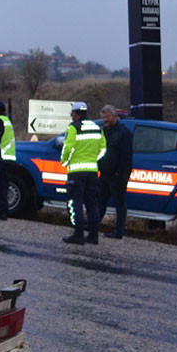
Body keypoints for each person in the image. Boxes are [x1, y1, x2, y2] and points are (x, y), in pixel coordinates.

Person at [61, 101, 107, 245]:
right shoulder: (97, 128)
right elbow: (103, 149)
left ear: (75, 114)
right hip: (92, 171)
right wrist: (93, 159)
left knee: (75, 202)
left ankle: (78, 233)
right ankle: (93, 235)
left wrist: (65, 161)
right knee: (92, 203)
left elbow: (68, 148)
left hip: (76, 171)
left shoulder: (74, 128)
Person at [98, 104, 133, 239]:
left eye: (108, 117)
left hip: (118, 175)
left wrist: (120, 173)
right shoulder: (104, 131)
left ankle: (119, 232)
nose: (105, 120)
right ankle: (94, 225)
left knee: (119, 203)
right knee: (100, 201)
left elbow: (127, 156)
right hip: (105, 173)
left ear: (115, 116)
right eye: (104, 117)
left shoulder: (123, 133)